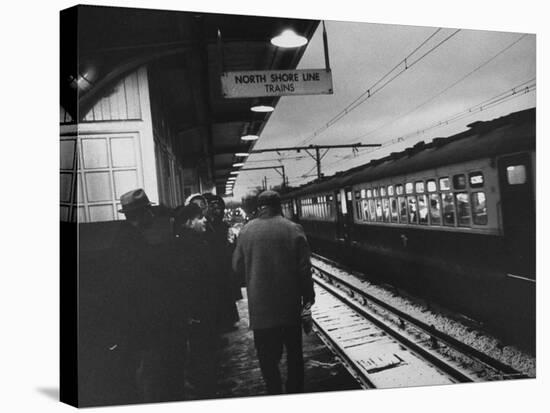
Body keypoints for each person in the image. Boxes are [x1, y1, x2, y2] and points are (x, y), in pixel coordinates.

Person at [232, 190, 315, 395]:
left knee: (267, 358)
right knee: (294, 355)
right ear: (279, 206)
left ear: (259, 207)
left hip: (260, 309)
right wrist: (308, 298)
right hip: (289, 306)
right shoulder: (293, 229)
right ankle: (295, 392)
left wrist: (253, 276)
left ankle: (274, 393)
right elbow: (305, 269)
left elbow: (236, 267)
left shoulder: (246, 231)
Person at [174, 203, 220, 399]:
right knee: (203, 357)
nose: (205, 220)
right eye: (200, 218)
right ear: (188, 222)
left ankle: (206, 388)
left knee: (205, 356)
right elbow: (190, 282)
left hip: (202, 311)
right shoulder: (188, 247)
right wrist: (192, 312)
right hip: (199, 313)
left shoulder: (193, 242)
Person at [202, 193, 241, 331]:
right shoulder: (210, 227)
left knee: (224, 293)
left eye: (218, 208)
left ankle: (226, 320)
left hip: (222, 264)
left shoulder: (222, 227)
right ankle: (225, 320)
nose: (216, 210)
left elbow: (231, 245)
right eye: (213, 207)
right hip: (218, 265)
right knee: (222, 293)